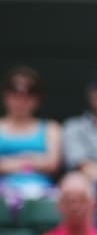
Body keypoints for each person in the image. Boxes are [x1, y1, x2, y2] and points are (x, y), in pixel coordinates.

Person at [0, 65, 61, 201]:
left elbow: (52, 164)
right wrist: (31, 161)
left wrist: (8, 162)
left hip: (43, 194)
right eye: (15, 96)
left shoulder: (51, 127)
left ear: (37, 100)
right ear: (5, 97)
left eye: (27, 97)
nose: (21, 102)